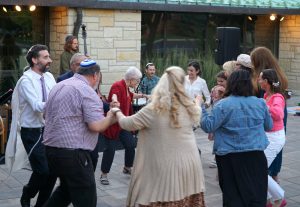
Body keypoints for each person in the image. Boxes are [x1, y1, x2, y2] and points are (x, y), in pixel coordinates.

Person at [111, 66, 205, 207]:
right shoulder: (189, 106)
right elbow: (197, 109)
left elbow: (126, 123)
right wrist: (198, 100)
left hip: (167, 168)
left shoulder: (154, 109)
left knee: (165, 198)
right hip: (191, 165)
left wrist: (116, 110)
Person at [42, 59, 116, 207]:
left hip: (51, 151)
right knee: (86, 199)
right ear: (96, 75)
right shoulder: (87, 90)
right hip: (73, 155)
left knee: (66, 191)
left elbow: (45, 115)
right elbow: (96, 126)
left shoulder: (59, 86)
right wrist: (111, 117)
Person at [201, 69, 272, 207]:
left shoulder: (223, 105)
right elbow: (268, 126)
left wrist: (201, 109)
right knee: (256, 195)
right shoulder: (260, 103)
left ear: (231, 84)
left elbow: (208, 126)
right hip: (255, 155)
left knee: (232, 196)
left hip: (229, 157)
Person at [5, 44, 57, 207]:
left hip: (50, 130)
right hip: (32, 132)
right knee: (42, 171)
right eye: (45, 57)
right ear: (34, 60)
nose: (50, 60)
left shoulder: (49, 77)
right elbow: (36, 105)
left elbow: (55, 96)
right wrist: (59, 101)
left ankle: (41, 204)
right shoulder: (25, 80)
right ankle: (27, 194)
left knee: (53, 172)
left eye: (49, 56)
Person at [99, 66, 146, 185]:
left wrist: (144, 96)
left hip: (123, 123)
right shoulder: (117, 85)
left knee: (130, 145)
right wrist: (114, 101)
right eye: (137, 80)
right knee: (110, 149)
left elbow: (130, 95)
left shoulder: (126, 87)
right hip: (113, 124)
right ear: (131, 79)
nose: (138, 82)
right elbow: (114, 95)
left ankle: (127, 167)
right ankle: (104, 174)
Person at [250, 46, 289, 184]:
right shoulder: (276, 74)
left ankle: (274, 192)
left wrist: (264, 105)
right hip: (276, 114)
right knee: (271, 155)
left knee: (268, 153)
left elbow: (275, 111)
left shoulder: (263, 78)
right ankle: (273, 183)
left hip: (273, 113)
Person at [258, 69, 287, 207]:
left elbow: (278, 114)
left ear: (267, 82)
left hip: (275, 137)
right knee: (259, 169)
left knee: (260, 169)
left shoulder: (277, 97)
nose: (258, 81)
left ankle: (279, 197)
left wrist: (262, 106)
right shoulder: (265, 95)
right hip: (267, 136)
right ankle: (271, 199)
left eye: (260, 79)